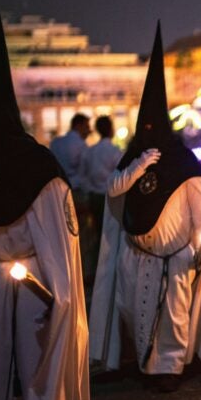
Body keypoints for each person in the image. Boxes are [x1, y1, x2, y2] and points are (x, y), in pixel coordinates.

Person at [0, 0, 91, 400]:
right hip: (1, 284)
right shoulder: (39, 164)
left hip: (30, 291)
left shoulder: (40, 166)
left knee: (28, 376)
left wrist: (59, 302)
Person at [88, 23, 201, 393]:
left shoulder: (184, 161)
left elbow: (198, 207)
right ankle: (148, 365)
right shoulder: (133, 158)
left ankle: (169, 369)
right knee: (136, 312)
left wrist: (200, 243)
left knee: (173, 314)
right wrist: (139, 165)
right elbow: (114, 190)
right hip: (138, 253)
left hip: (174, 255)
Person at [79, 115, 122, 287]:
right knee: (110, 236)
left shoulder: (90, 151)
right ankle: (109, 272)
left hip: (93, 198)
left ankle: (95, 272)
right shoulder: (115, 151)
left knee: (95, 235)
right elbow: (121, 176)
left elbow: (83, 176)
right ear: (110, 129)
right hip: (110, 198)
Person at [50, 112, 91, 191]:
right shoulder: (82, 145)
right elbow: (85, 170)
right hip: (76, 187)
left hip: (57, 187)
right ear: (78, 126)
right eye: (87, 127)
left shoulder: (55, 142)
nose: (89, 131)